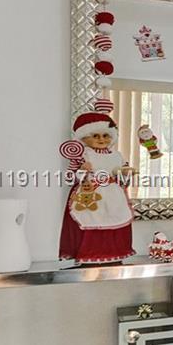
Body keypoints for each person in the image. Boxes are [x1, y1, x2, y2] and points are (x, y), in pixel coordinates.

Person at [58, 112, 135, 264]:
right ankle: (90, 255)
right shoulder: (83, 156)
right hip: (90, 194)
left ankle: (113, 255)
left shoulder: (117, 156)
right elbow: (70, 178)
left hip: (114, 196)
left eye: (106, 135)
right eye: (95, 136)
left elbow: (123, 180)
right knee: (90, 221)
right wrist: (82, 170)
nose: (101, 139)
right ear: (84, 137)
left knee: (115, 219)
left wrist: (125, 174)